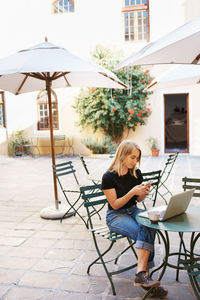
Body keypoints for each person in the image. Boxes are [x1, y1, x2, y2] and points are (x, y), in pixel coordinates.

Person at [101, 140, 168, 298]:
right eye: (132, 157)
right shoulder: (109, 177)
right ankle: (145, 277)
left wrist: (143, 192)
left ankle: (141, 273)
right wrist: (132, 192)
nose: (135, 161)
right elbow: (115, 205)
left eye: (137, 158)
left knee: (151, 223)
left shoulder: (136, 174)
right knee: (142, 231)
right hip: (116, 216)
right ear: (122, 155)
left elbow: (138, 201)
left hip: (133, 210)